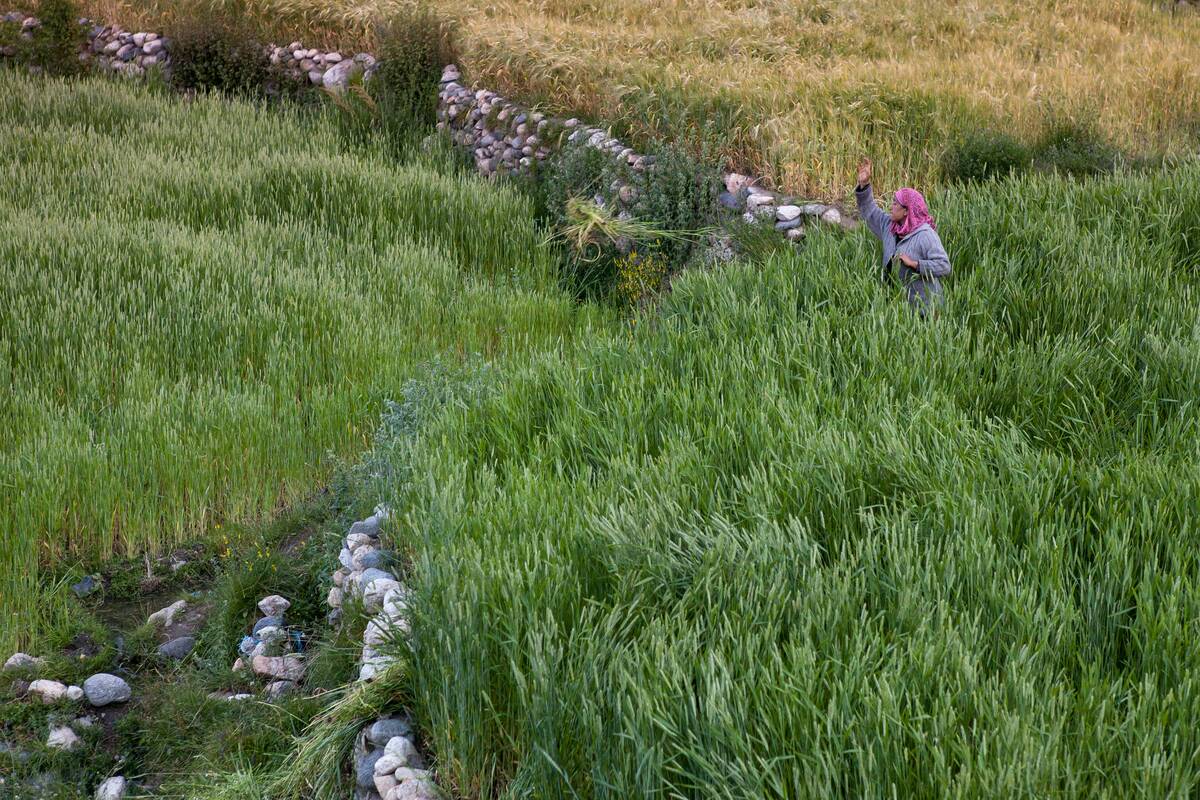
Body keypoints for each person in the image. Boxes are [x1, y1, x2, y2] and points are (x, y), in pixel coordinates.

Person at [855, 158, 950, 315]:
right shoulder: (889, 226)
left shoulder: (925, 235)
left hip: (926, 309)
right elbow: (870, 211)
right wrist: (864, 185)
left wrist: (915, 264)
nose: (890, 207)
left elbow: (944, 266)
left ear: (907, 211)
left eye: (895, 204)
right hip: (899, 306)